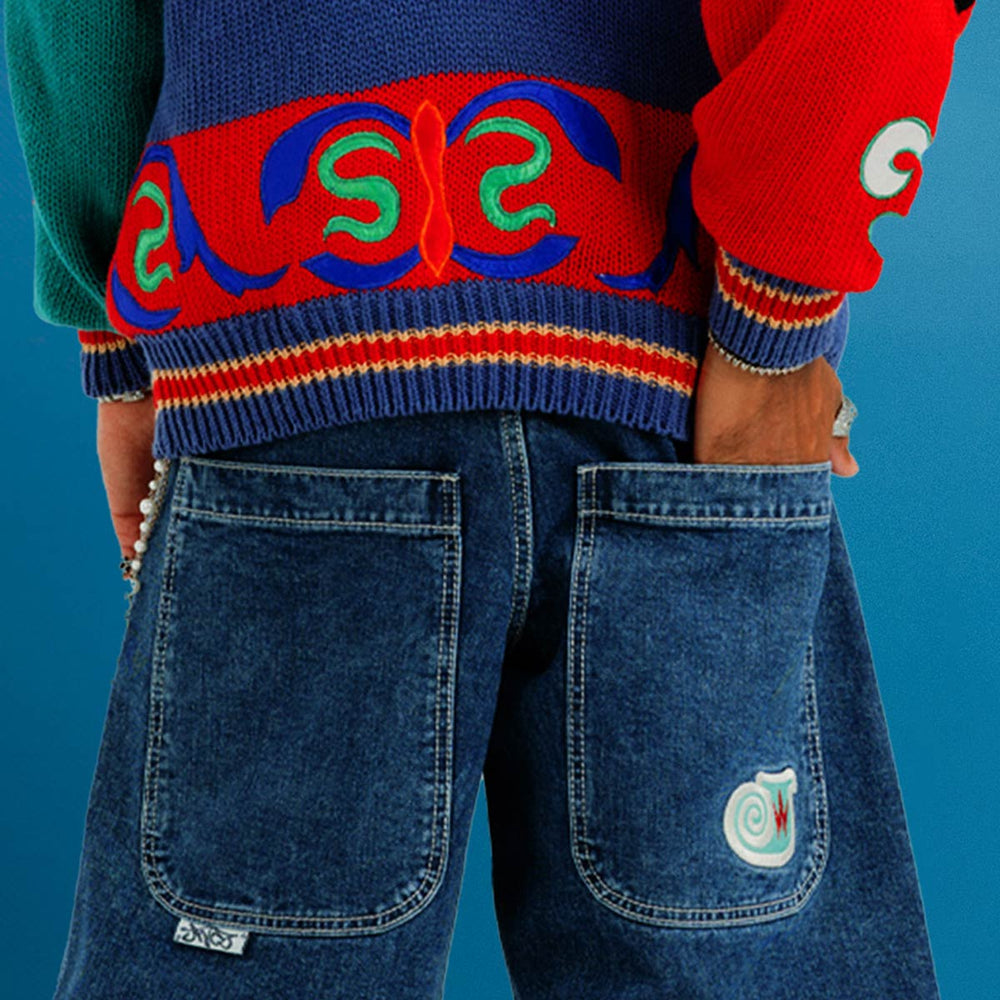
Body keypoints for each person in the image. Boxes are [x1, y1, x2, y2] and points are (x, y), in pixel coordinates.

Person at [4, 1, 976, 997]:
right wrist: (776, 308)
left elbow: (78, 25)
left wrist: (114, 323)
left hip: (290, 338)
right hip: (661, 361)